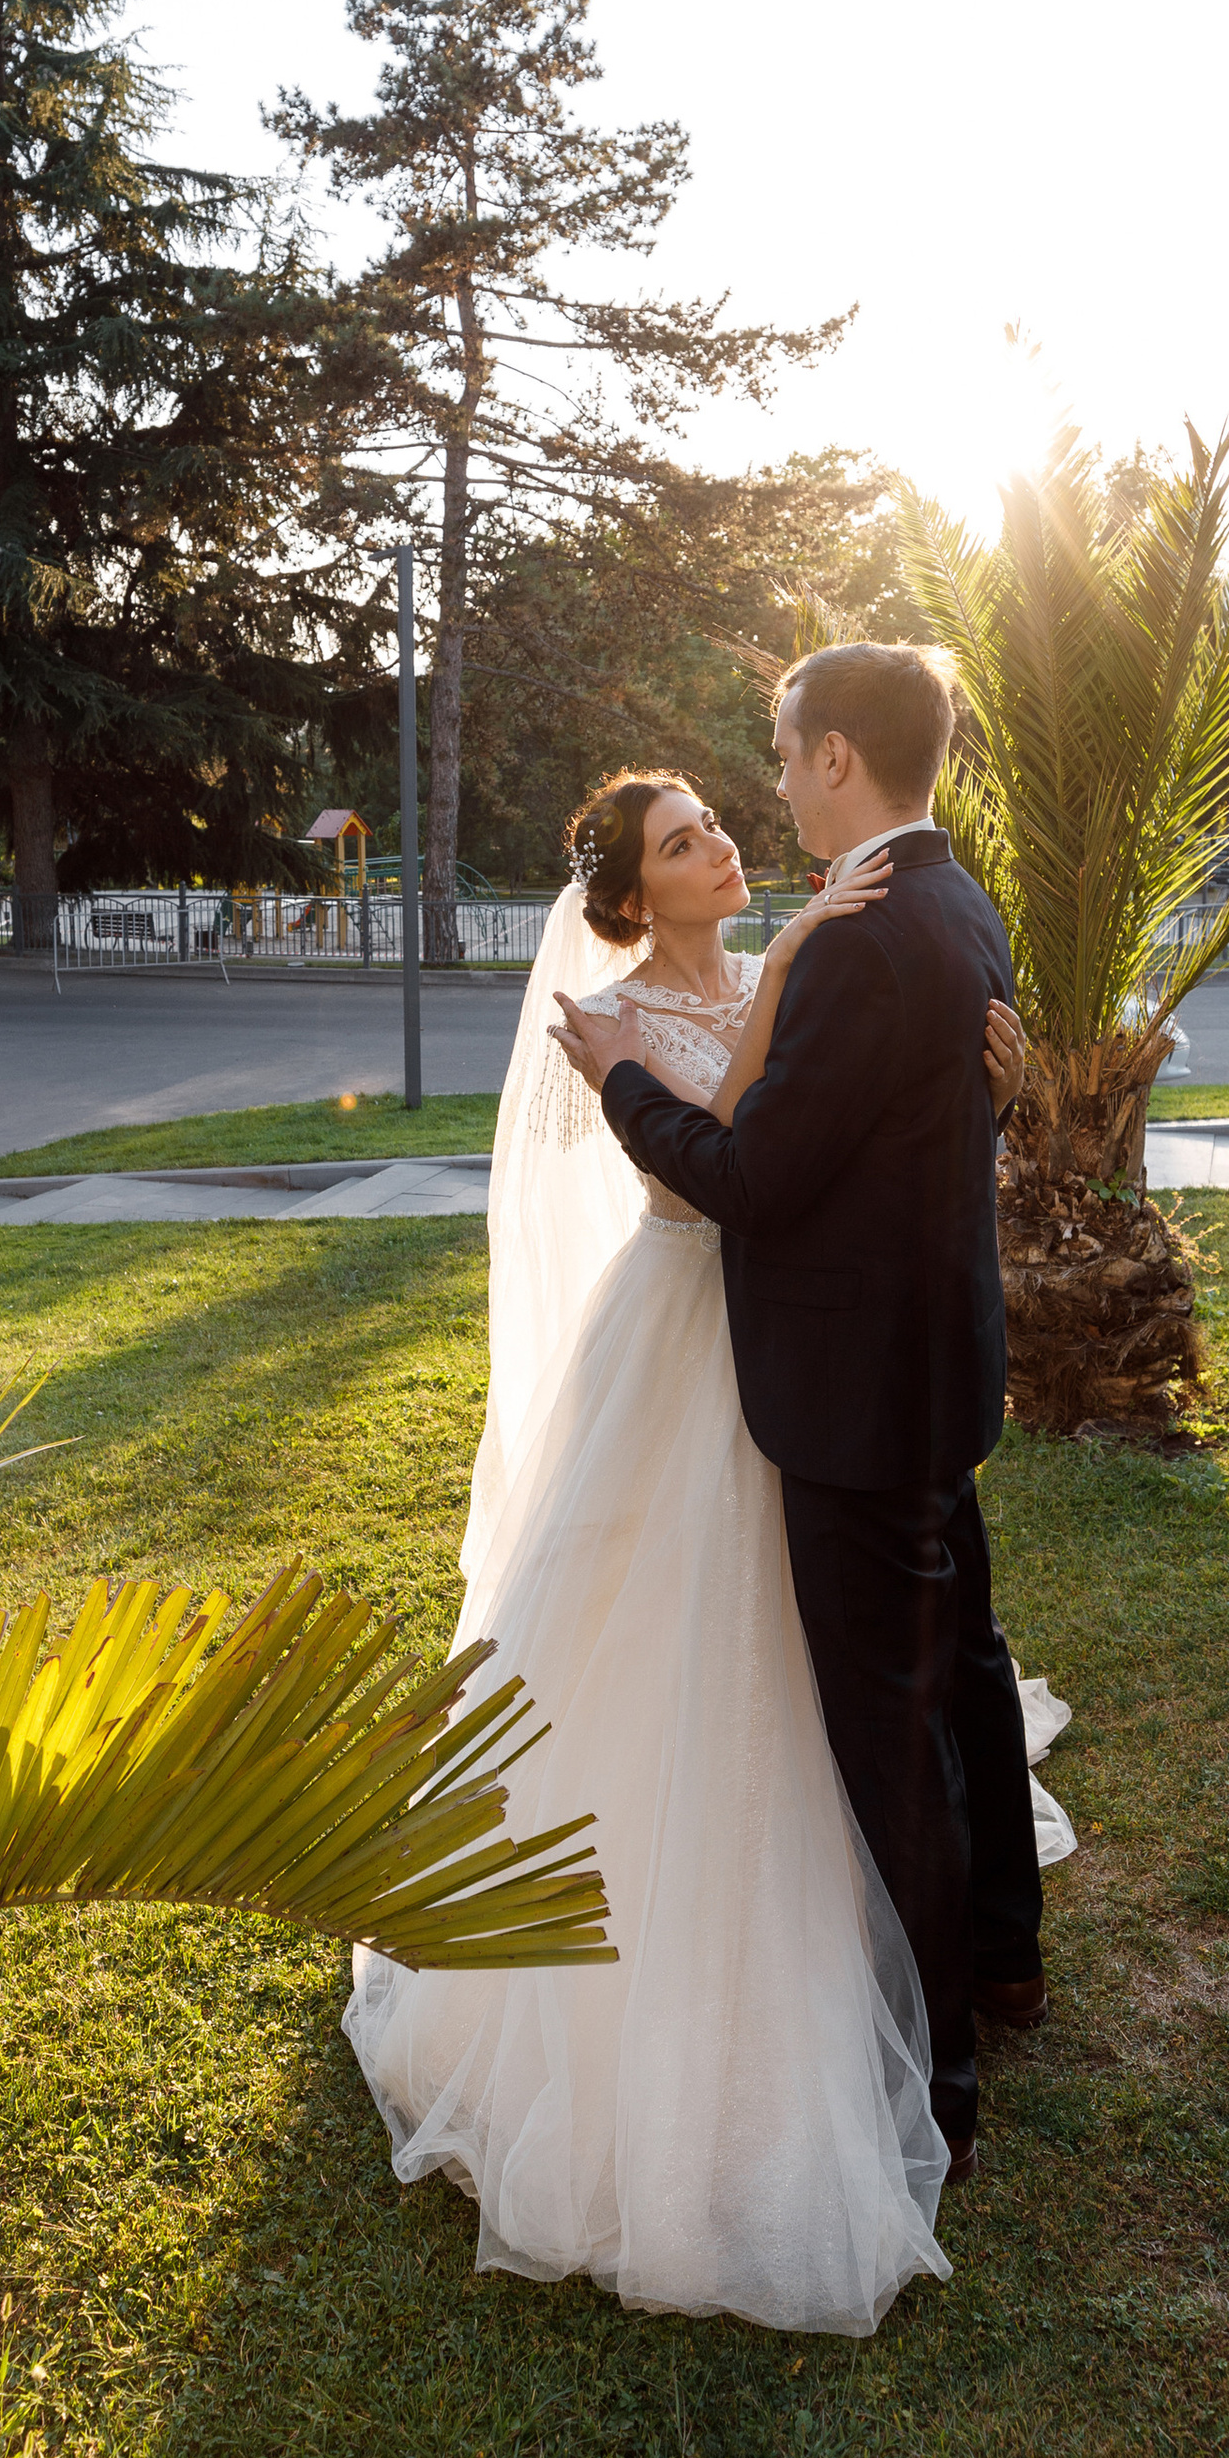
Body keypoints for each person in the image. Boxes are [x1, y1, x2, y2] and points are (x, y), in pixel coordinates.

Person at [340, 753, 1070, 2334]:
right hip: (691, 1358)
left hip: (819, 1364)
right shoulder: (622, 1019)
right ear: (627, 899)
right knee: (681, 1649)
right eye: (684, 844)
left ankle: (936, 1939)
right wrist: (787, 968)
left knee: (861, 1664)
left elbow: (851, 1121)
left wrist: (976, 1075)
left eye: (720, 823)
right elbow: (720, 1172)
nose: (724, 845)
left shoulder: (792, 965)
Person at [551, 643, 1042, 2181]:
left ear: (838, 756)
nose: (762, 794)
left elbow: (755, 1179)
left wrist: (626, 1081)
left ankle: (944, 2078)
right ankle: (1010, 1960)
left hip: (849, 1393)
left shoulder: (846, 942)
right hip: (930, 1368)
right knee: (965, 1672)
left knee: (902, 1732)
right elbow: (911, 1119)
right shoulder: (961, 903)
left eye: (775, 757)